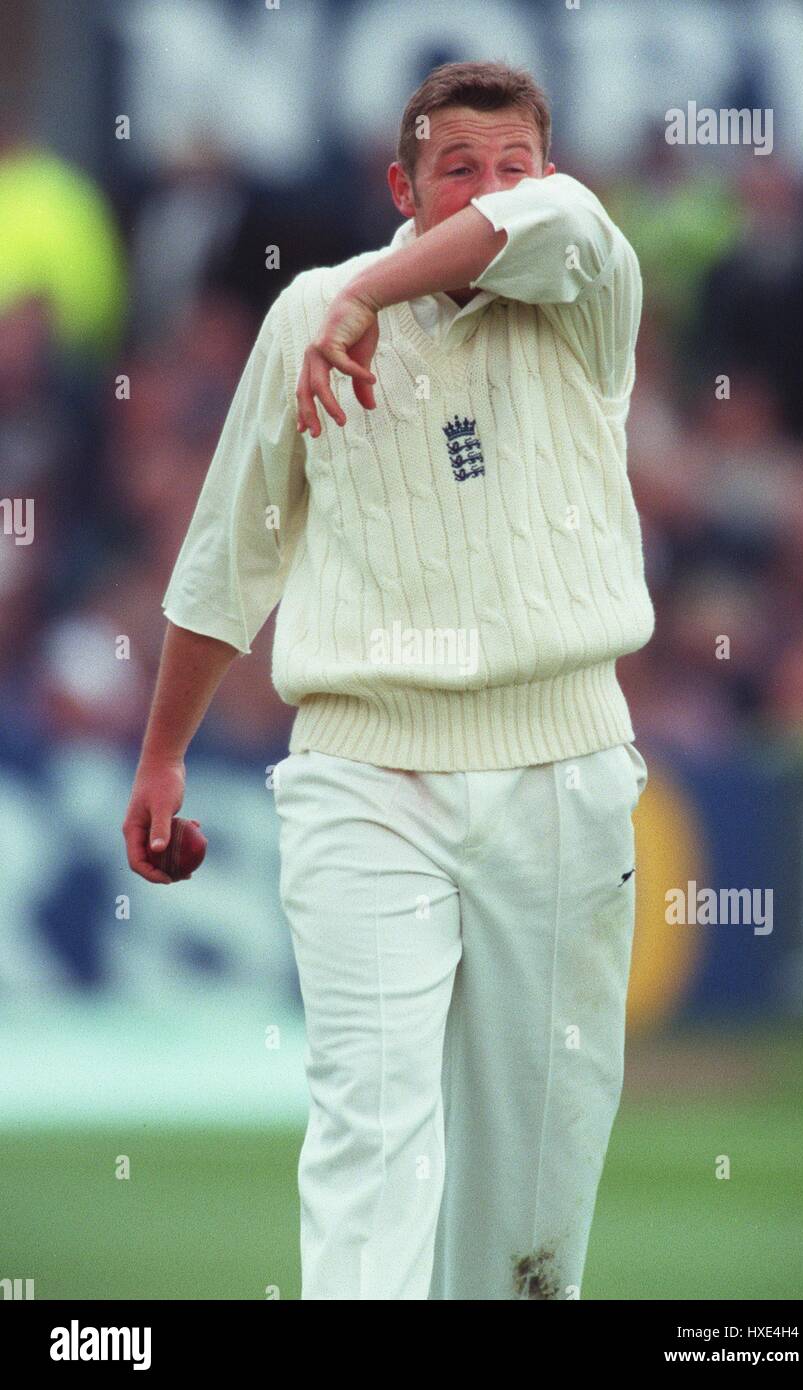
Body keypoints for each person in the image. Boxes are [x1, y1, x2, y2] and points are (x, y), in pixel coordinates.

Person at [123, 60, 654, 1300]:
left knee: (532, 1201)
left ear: (547, 172)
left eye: (510, 165)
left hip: (564, 772)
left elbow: (558, 221)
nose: (489, 191)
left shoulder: (586, 286)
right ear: (400, 181)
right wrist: (161, 755)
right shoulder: (302, 314)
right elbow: (230, 553)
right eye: (455, 168)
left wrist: (366, 294)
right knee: (371, 1130)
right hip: (364, 773)